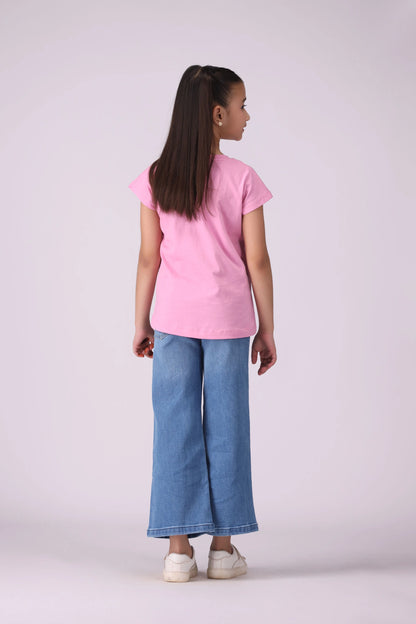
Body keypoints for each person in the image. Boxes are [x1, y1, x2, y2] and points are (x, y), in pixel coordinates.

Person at [128, 64, 277, 582]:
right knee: (227, 428)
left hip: (171, 321)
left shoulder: (157, 176)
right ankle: (222, 550)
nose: (246, 115)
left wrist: (141, 321)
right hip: (229, 324)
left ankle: (177, 553)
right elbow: (257, 260)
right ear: (217, 115)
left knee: (175, 427)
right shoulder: (242, 178)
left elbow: (149, 257)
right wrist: (267, 328)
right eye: (241, 106)